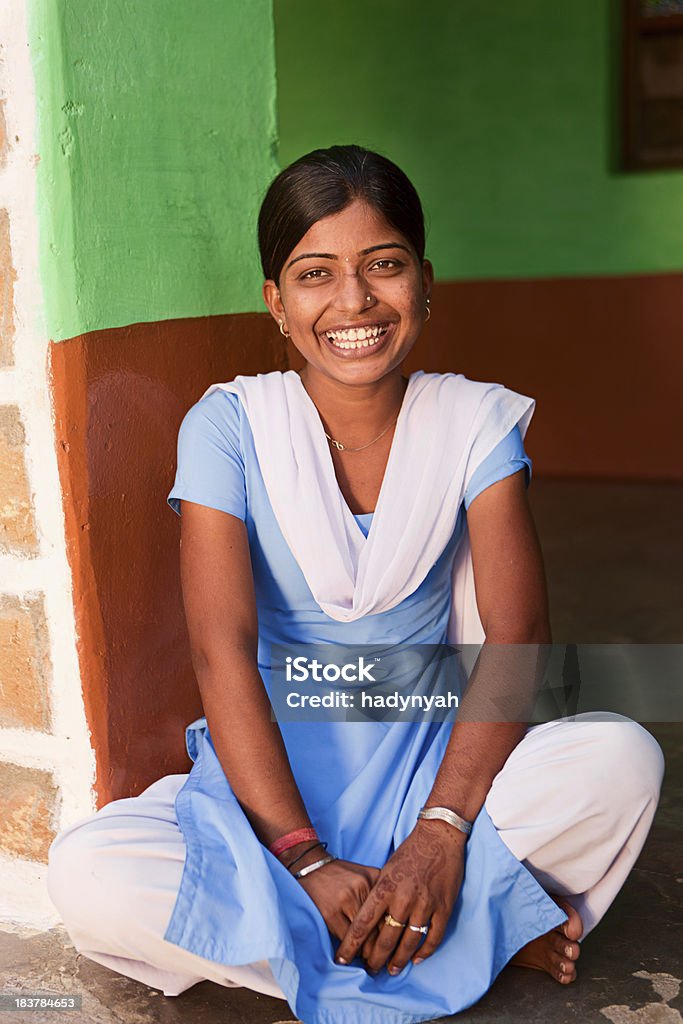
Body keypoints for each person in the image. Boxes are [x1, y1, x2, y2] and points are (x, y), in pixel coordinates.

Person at [46, 145, 665, 1024]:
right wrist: (302, 857)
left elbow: (517, 642)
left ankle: (422, 915)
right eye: (314, 274)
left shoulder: (474, 421)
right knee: (91, 872)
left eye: (384, 265)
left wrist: (440, 836)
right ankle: (480, 932)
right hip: (278, 784)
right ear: (276, 303)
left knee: (619, 757)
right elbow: (221, 656)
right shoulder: (229, 426)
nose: (353, 302)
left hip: (436, 761)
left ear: (423, 281)